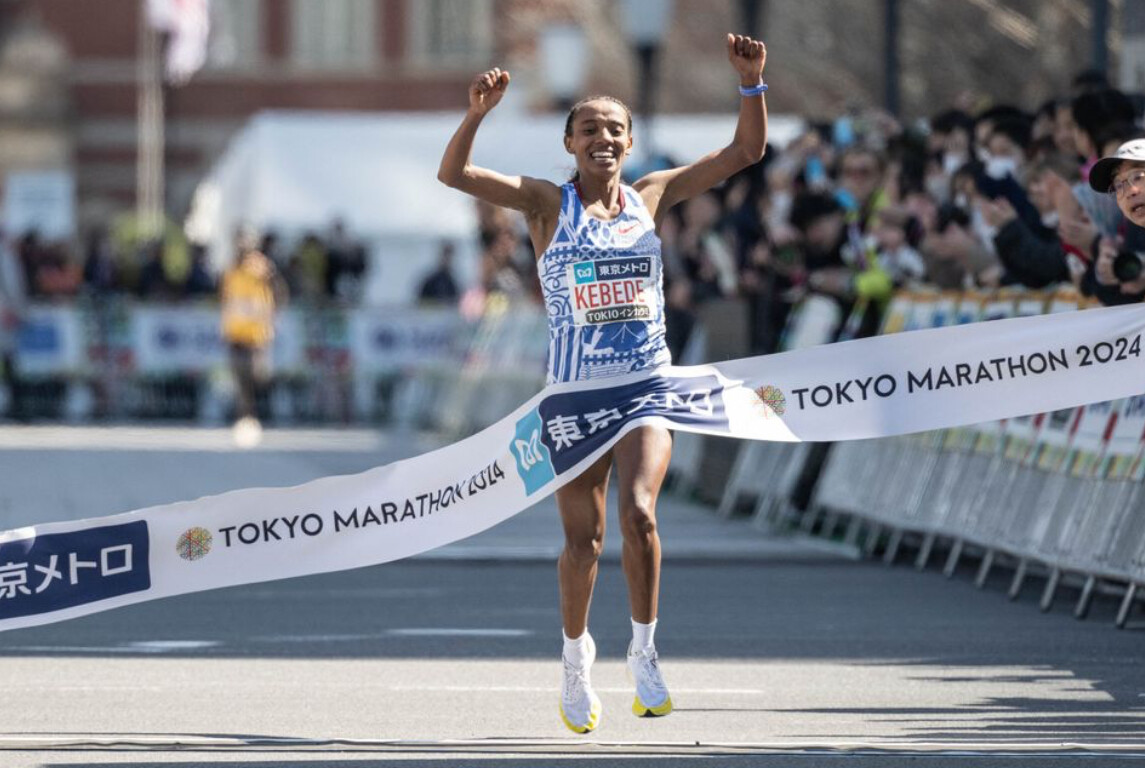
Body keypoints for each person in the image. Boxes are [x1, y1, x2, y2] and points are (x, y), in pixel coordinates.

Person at [438, 33, 767, 734]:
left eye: (615, 129)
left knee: (640, 515)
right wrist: (477, 114)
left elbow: (744, 153)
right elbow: (455, 174)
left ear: (629, 141)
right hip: (575, 396)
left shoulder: (652, 194)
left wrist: (750, 84)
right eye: (589, 129)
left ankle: (643, 650)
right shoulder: (544, 203)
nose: (603, 139)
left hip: (647, 387)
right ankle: (573, 658)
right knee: (583, 542)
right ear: (570, 143)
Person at [220, 227, 285, 446]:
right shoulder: (231, 270)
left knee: (257, 376)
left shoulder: (259, 266)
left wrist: (271, 315)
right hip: (236, 332)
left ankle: (258, 414)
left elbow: (277, 290)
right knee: (240, 377)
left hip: (256, 334)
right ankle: (245, 417)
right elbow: (228, 299)